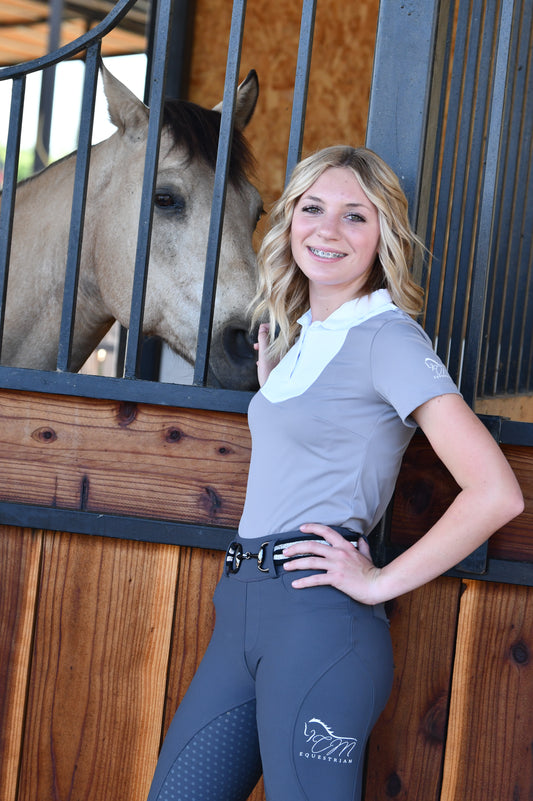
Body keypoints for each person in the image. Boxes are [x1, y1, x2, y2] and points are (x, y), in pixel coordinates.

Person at [145, 145, 523, 801]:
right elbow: (320, 431)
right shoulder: (305, 341)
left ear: (383, 236)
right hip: (239, 611)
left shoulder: (387, 337)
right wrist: (273, 380)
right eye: (312, 208)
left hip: (316, 624)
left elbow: (495, 491)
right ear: (289, 219)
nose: (326, 229)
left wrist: (379, 581)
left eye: (355, 216)